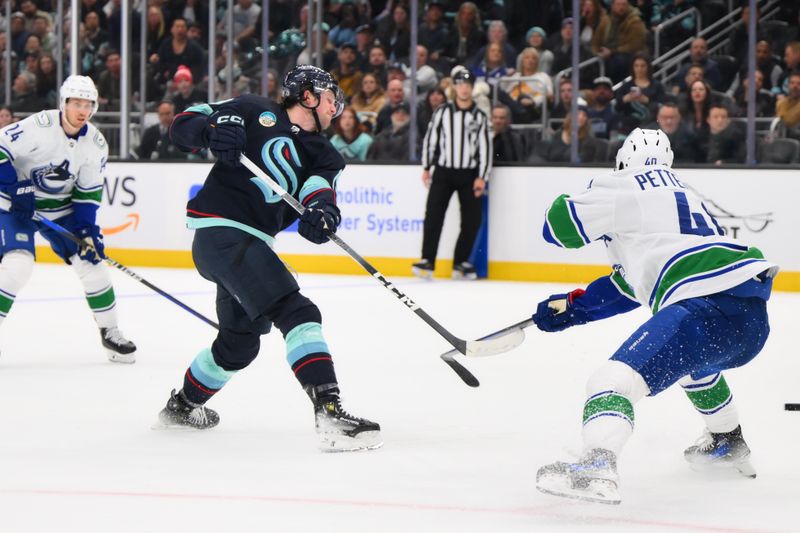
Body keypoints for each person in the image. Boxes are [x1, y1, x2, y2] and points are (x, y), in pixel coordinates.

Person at [533, 128, 776, 504]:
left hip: (704, 306)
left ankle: (598, 464)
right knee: (694, 363)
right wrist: (574, 308)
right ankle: (727, 442)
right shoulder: (684, 195)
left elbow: (558, 228)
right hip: (751, 318)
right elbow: (631, 287)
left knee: (612, 381)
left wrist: (588, 191)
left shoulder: (622, 184)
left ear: (621, 160)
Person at [159, 65, 382, 452]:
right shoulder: (250, 107)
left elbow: (319, 192)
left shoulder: (325, 155)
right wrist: (210, 131)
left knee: (240, 343)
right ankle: (328, 411)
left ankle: (181, 407)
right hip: (222, 233)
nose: (336, 109)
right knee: (298, 312)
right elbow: (185, 122)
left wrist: (322, 215)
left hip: (247, 243)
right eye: (331, 99)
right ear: (308, 95)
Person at [0, 75, 137, 363]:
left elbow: (87, 195)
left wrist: (87, 230)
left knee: (93, 263)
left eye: (88, 104)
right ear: (64, 103)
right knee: (18, 264)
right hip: (14, 206)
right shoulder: (39, 126)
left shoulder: (96, 143)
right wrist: (16, 186)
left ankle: (110, 332)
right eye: (76, 103)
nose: (82, 110)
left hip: (59, 210)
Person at [414, 66, 491, 281]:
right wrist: (427, 167)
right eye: (460, 84)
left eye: (467, 85)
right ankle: (427, 260)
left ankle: (461, 261)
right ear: (455, 87)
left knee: (472, 220)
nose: (464, 88)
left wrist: (482, 177)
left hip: (469, 173)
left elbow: (485, 148)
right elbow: (432, 139)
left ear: (472, 88)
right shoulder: (443, 112)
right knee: (434, 216)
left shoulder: (479, 116)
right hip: (444, 172)